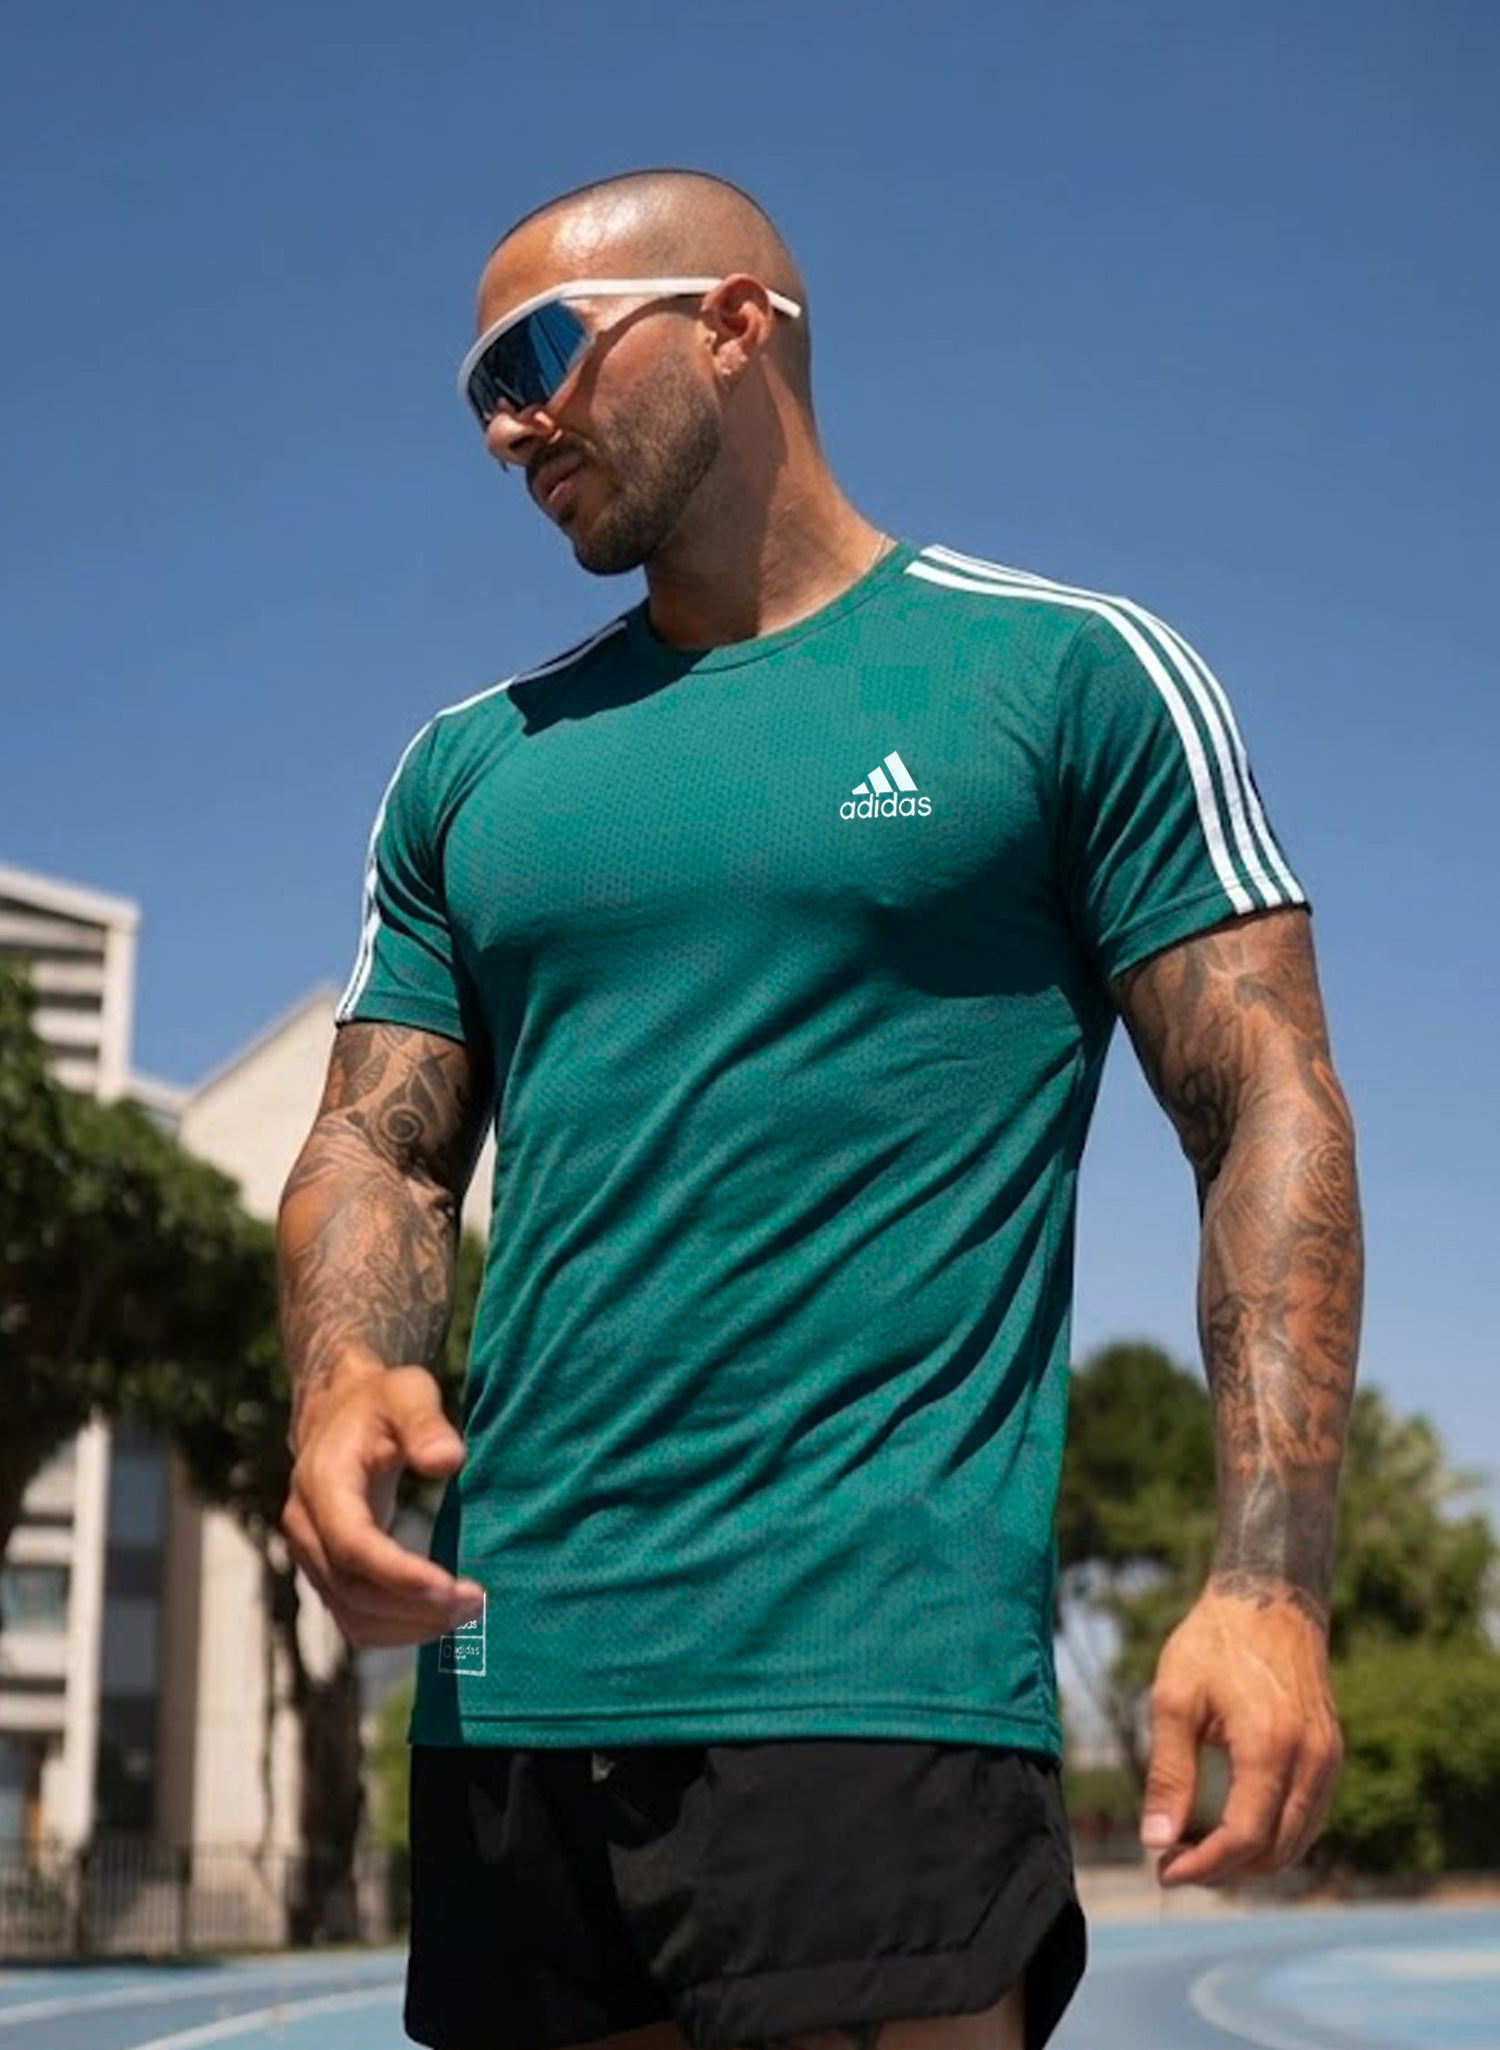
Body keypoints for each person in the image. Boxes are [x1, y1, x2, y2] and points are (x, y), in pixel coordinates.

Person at [278, 170, 1362, 2050]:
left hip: (871, 1677)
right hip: (508, 1675)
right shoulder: (470, 766)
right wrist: (342, 1378)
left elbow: (1266, 1098)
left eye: (537, 358)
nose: (508, 427)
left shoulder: (1065, 675)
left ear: (733, 322)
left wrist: (1271, 1580)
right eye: (477, 396)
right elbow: (378, 1142)